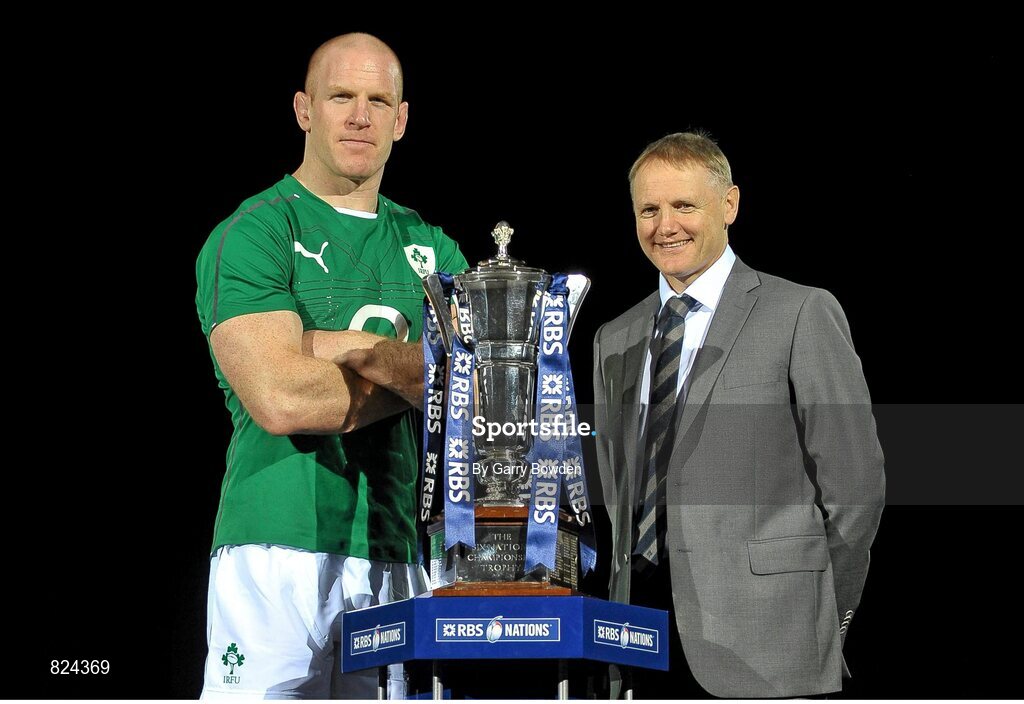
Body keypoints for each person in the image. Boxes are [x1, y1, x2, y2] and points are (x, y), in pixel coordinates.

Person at [194, 33, 467, 699]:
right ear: (303, 110)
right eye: (340, 96)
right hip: (273, 542)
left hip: (401, 549)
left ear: (401, 120)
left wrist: (355, 349)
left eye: (379, 100)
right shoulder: (254, 232)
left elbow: (483, 390)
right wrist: (425, 374)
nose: (359, 115)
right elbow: (283, 398)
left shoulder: (433, 248)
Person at [592, 132, 885, 698]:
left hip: (771, 645)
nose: (664, 225)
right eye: (648, 210)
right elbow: (618, 497)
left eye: (683, 206)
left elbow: (856, 489)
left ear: (729, 205)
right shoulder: (615, 337)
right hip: (638, 641)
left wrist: (824, 615)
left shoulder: (801, 312)